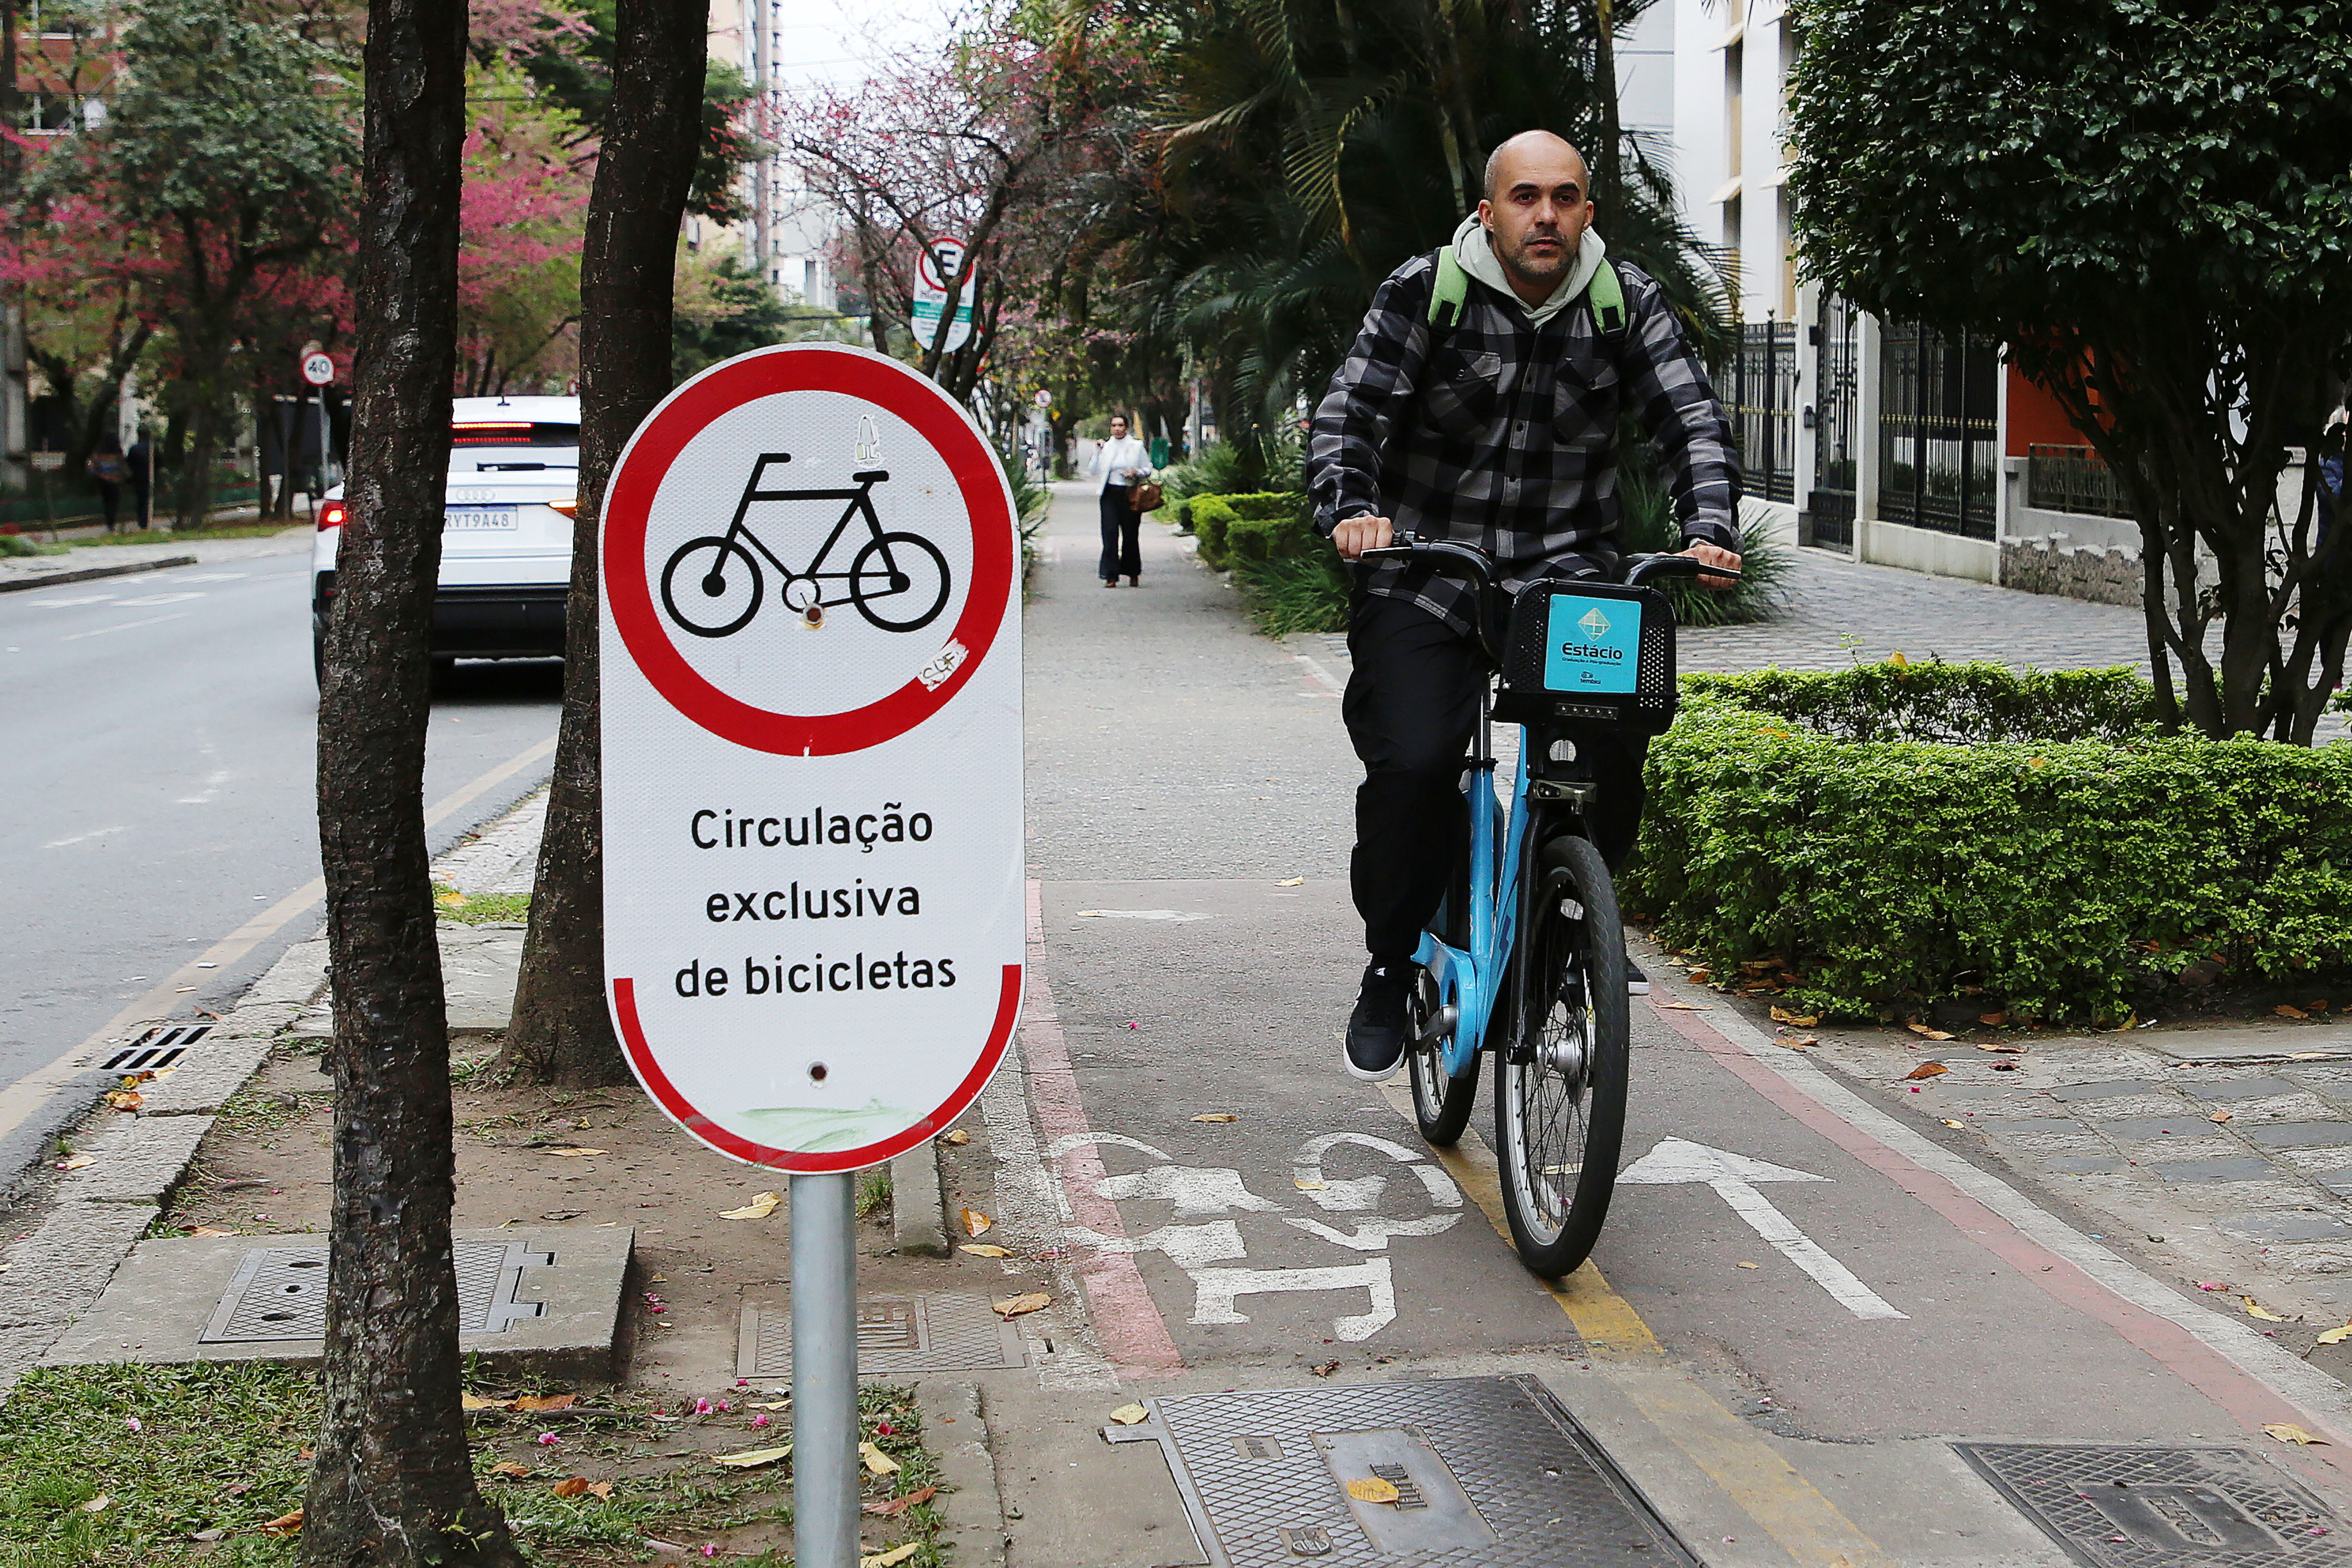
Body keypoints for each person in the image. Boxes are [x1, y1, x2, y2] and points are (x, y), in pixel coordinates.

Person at [1305, 129, 1743, 1081]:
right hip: (1428, 567)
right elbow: (1351, 413)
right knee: (1414, 764)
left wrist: (1706, 523)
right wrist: (1351, 509)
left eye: (1563, 198)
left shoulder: (1622, 303)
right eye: (1523, 198)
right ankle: (1389, 963)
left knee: (1612, 749)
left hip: (1566, 579)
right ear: (1487, 210)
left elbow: (1689, 420)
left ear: (1587, 210)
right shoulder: (1426, 291)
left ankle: (1568, 915)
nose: (1543, 215)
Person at [1089, 414, 1149, 588]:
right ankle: (1110, 576)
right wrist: (1097, 452)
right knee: (1110, 534)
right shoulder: (1106, 447)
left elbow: (1148, 469)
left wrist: (1136, 472)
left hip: (1130, 494)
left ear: (1127, 428)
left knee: (1130, 535)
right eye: (1114, 426)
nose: (1117, 429)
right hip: (1109, 493)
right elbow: (1093, 470)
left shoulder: (1136, 446)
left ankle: (1132, 573)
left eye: (1121, 425)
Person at [85, 432, 129, 531]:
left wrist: (100, 475)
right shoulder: (118, 454)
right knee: (115, 502)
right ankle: (112, 522)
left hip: (103, 481)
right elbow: (124, 468)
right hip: (116, 481)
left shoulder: (99, 454)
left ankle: (110, 522)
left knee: (107, 502)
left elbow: (91, 468)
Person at [127, 430, 154, 529]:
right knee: (149, 498)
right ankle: (146, 519)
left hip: (138, 478)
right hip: (150, 477)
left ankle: (142, 521)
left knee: (141, 500)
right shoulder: (152, 449)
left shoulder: (134, 449)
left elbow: (129, 464)